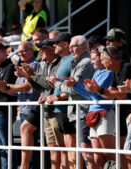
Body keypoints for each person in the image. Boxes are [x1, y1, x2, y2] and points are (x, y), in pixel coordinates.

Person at [84, 46, 131, 169]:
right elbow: (110, 93)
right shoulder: (115, 71)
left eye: (103, 60)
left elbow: (120, 94)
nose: (102, 63)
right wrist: (99, 90)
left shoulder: (127, 67)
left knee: (130, 153)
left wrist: (99, 90)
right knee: (122, 152)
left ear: (110, 60)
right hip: (123, 115)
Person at [62, 45, 116, 168]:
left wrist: (77, 85)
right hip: (93, 115)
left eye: (93, 59)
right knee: (97, 155)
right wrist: (74, 85)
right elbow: (90, 96)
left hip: (104, 114)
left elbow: (95, 95)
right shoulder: (97, 73)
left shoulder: (109, 73)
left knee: (110, 154)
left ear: (101, 58)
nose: (91, 62)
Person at [47, 35, 96, 169]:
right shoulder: (77, 62)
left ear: (84, 47)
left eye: (74, 46)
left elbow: (74, 89)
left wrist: (57, 84)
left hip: (84, 110)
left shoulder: (85, 62)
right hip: (77, 111)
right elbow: (72, 88)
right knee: (83, 148)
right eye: (70, 47)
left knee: (85, 148)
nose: (71, 49)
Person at [0, 41, 41, 169]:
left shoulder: (34, 65)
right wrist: (3, 88)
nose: (21, 53)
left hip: (32, 109)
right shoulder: (22, 66)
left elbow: (25, 88)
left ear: (31, 50)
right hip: (23, 109)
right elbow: (16, 91)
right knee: (25, 146)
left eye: (24, 50)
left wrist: (6, 86)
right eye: (19, 52)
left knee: (31, 148)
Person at [17, 39, 64, 169]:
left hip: (56, 108)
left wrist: (32, 75)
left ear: (52, 49)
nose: (41, 52)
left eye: (43, 49)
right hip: (45, 107)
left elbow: (49, 84)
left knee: (60, 146)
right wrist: (28, 76)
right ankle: (24, 166)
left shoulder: (60, 63)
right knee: (52, 146)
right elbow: (39, 87)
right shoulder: (43, 63)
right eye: (40, 49)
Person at [45, 32, 76, 169]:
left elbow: (74, 86)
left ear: (66, 44)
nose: (54, 45)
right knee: (66, 145)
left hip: (67, 109)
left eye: (56, 43)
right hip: (59, 109)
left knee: (71, 145)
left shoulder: (72, 60)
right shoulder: (64, 60)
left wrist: (57, 97)